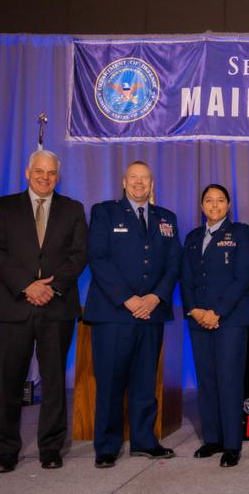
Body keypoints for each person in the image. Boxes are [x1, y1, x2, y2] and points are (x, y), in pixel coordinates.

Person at [0, 149, 87, 473]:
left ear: (58, 176)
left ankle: (51, 448)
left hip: (56, 308)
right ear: (28, 173)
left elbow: (79, 255)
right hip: (14, 306)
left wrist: (51, 288)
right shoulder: (4, 206)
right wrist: (27, 285)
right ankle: (7, 450)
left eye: (51, 173)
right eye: (39, 171)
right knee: (10, 381)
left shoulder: (72, 209)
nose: (45, 177)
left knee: (54, 381)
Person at [84, 161, 181, 469]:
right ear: (124, 182)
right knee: (111, 382)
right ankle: (107, 446)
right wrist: (128, 299)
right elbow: (98, 258)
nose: (139, 183)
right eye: (134, 178)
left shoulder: (167, 218)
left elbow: (174, 263)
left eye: (145, 179)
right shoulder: (104, 212)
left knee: (144, 381)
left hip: (151, 313)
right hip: (114, 313)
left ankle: (144, 440)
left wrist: (154, 297)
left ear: (152, 184)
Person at [181, 184, 249, 468]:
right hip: (198, 318)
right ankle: (212, 438)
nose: (214, 205)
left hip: (230, 320)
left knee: (229, 379)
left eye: (220, 200)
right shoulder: (193, 237)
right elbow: (185, 277)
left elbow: (242, 277)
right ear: (202, 206)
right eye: (209, 201)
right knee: (207, 379)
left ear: (228, 205)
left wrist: (217, 312)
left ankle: (232, 444)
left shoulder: (240, 233)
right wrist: (195, 310)